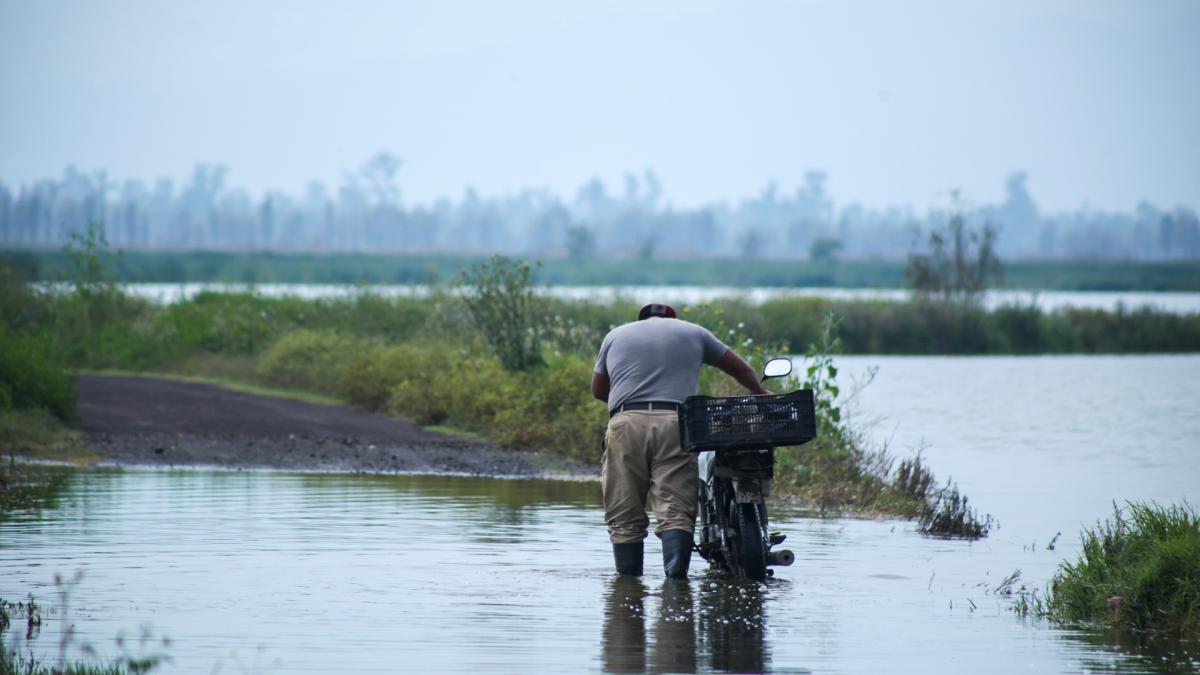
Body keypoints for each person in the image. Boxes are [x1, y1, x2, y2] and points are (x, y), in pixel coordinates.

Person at [591, 303, 771, 579]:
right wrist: (760, 392)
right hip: (677, 423)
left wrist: (627, 406)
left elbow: (598, 390)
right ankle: (676, 583)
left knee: (624, 512)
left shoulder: (616, 335)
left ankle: (627, 589)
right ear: (673, 319)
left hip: (626, 423)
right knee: (675, 511)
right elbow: (739, 368)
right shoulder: (695, 332)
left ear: (641, 319)